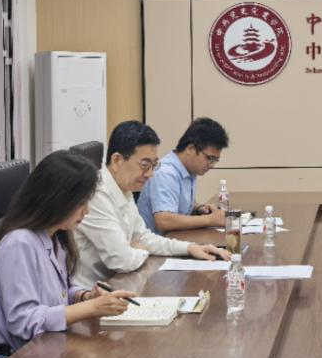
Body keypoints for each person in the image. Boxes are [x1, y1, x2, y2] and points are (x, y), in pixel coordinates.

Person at [0, 151, 137, 358]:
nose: (87, 210)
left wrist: (85, 296)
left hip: (46, 357)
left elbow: (61, 292)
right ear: (57, 199)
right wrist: (92, 307)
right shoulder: (19, 244)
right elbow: (24, 321)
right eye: (81, 202)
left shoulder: (54, 237)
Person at [73, 120, 230, 289]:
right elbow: (122, 260)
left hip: (120, 282)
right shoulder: (97, 194)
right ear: (117, 160)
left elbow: (143, 237)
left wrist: (190, 248)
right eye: (144, 165)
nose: (150, 174)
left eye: (154, 165)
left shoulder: (124, 187)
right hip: (92, 292)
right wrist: (141, 249)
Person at [138, 117, 229, 235]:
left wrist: (198, 209)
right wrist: (210, 220)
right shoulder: (166, 173)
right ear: (190, 149)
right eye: (209, 158)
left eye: (215, 160)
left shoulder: (190, 170)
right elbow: (164, 221)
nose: (211, 165)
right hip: (156, 243)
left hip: (176, 238)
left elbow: (180, 208)